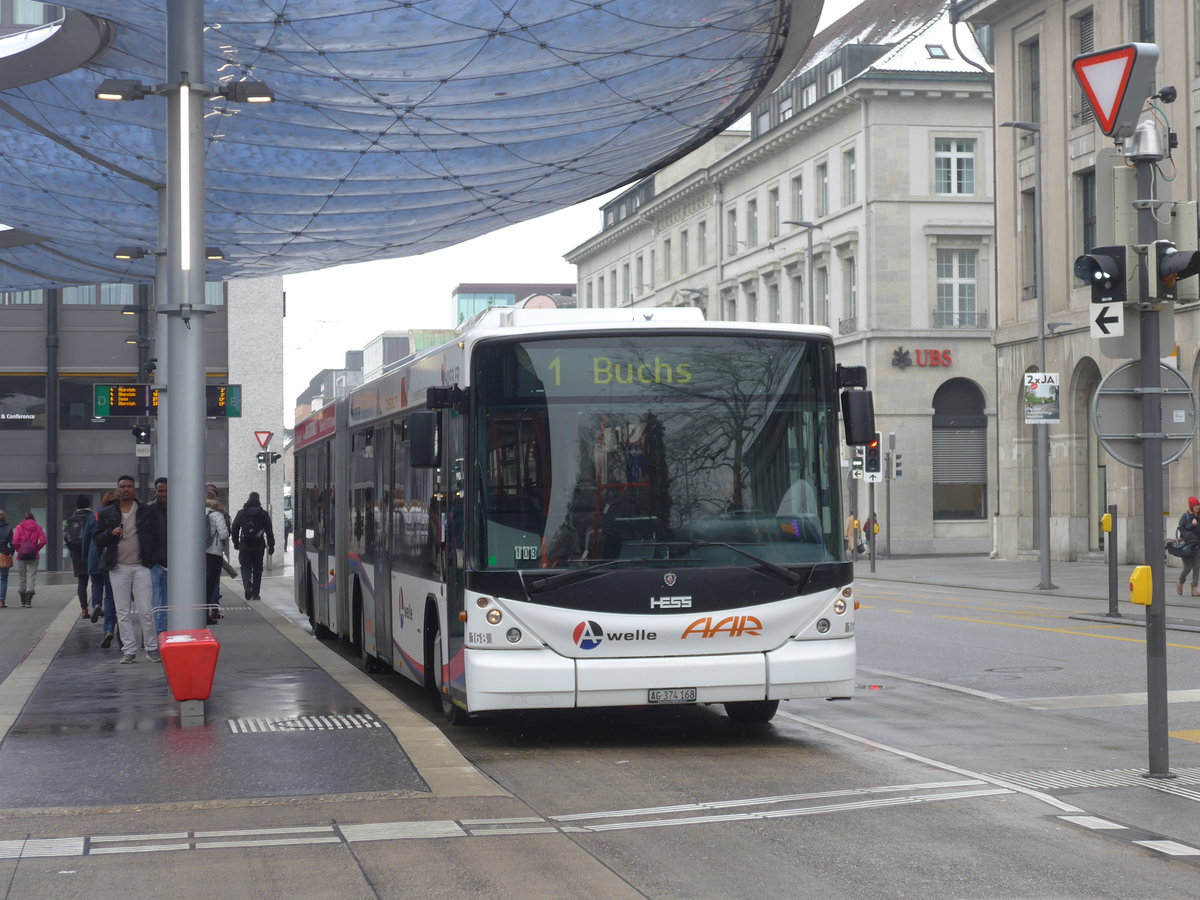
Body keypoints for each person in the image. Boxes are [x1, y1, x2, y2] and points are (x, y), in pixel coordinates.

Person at [94, 475, 164, 664]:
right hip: (118, 567)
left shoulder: (145, 511)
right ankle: (129, 650)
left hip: (142, 566)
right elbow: (98, 539)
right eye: (122, 487)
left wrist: (153, 558)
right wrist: (111, 532)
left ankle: (151, 648)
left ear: (134, 489)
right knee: (122, 611)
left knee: (146, 610)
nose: (126, 489)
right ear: (117, 490)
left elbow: (157, 536)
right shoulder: (108, 512)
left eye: (129, 487)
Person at [84, 491, 118, 648]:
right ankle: (110, 628)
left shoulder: (96, 513)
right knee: (111, 594)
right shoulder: (117, 514)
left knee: (96, 583)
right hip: (110, 556)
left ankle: (96, 604)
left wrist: (85, 556)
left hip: (94, 553)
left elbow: (87, 535)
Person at [231, 491, 274, 601]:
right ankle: (255, 594)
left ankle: (247, 583)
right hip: (259, 547)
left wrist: (236, 543)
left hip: (245, 546)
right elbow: (269, 530)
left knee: (245, 567)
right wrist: (271, 545)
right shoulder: (263, 514)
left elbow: (235, 528)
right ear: (258, 500)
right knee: (257, 570)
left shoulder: (241, 513)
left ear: (249, 499)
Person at [64, 495, 92, 619]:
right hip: (91, 554)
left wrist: (74, 551)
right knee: (98, 581)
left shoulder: (71, 520)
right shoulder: (91, 517)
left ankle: (84, 609)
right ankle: (98, 605)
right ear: (89, 505)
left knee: (82, 583)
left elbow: (67, 539)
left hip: (77, 555)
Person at [12, 511, 47, 608]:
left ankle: (23, 600)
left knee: (22, 577)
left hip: (21, 556)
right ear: (33, 518)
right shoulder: (38, 527)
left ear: (24, 518)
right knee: (32, 577)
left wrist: (19, 549)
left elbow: (15, 541)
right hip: (33, 555)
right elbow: (43, 541)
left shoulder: (19, 527)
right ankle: (28, 601)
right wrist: (36, 548)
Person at [205, 496, 231, 624]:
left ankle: (201, 613)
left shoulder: (200, 512)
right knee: (211, 584)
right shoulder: (217, 515)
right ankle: (208, 613)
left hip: (201, 554)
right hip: (214, 553)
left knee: (202, 585)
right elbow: (224, 534)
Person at [149, 477, 168, 633]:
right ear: (155, 492)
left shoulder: (178, 509)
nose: (163, 494)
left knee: (165, 603)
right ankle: (150, 636)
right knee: (153, 602)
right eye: (160, 491)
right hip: (154, 563)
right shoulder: (148, 510)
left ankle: (161, 633)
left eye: (166, 491)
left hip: (170, 562)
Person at [1178, 496, 1200, 597]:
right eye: (1195, 505)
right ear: (1191, 506)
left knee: (1196, 567)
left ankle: (1194, 588)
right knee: (1188, 567)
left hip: (1197, 546)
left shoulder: (1199, 516)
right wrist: (1192, 525)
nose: (1197, 507)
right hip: (1187, 546)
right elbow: (1182, 529)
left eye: (1198, 505)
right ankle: (1181, 582)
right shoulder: (1185, 516)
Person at [0, 510, 13, 609]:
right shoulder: (8, 528)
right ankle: (1, 601)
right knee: (4, 578)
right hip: (4, 554)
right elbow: (12, 543)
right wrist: (10, 553)